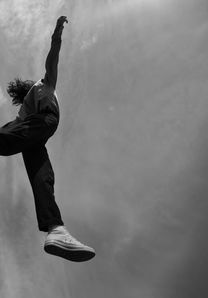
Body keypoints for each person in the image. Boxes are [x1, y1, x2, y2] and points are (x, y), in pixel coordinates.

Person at [0, 16, 95, 262]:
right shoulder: (44, 86)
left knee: (43, 179)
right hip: (41, 123)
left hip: (33, 134)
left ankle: (56, 229)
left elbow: (15, 129)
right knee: (13, 144)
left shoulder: (25, 109)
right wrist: (56, 34)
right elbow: (53, 59)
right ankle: (54, 227)